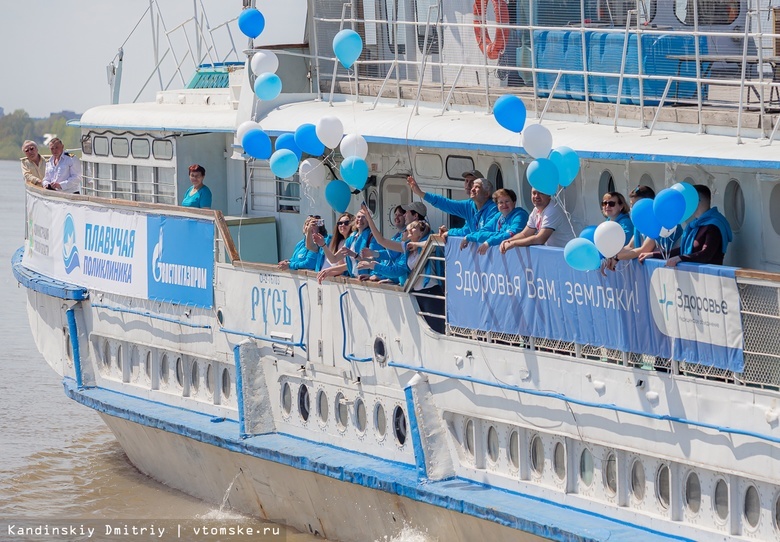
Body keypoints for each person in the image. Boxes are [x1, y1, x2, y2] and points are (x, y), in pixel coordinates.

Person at [358, 220, 445, 333]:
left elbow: (436, 241)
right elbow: (395, 268)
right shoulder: (408, 250)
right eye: (407, 228)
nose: (408, 230)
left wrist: (416, 244)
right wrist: (373, 266)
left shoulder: (428, 243)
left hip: (431, 293)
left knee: (436, 330)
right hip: (417, 293)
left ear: (422, 231)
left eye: (413, 227)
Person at [639, 185, 732, 266]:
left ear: (696, 201)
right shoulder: (694, 225)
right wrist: (654, 254)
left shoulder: (714, 225)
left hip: (708, 280)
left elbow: (706, 254)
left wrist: (681, 258)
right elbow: (683, 250)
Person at [407, 175, 498, 238]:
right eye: (472, 186)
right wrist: (420, 193)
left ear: (487, 193)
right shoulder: (469, 205)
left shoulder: (493, 210)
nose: (472, 189)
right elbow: (446, 203)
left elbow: (486, 233)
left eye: (477, 187)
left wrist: (467, 238)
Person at [499, 189, 575, 252]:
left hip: (566, 253)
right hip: (555, 254)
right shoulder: (536, 210)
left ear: (549, 195)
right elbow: (524, 234)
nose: (536, 196)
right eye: (534, 193)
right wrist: (508, 241)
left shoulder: (553, 210)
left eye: (541, 193)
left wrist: (514, 243)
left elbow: (540, 239)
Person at [460, 189, 529, 254]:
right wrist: (469, 237)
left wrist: (489, 242)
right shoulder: (498, 216)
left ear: (514, 203)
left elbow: (511, 235)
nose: (504, 205)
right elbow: (482, 232)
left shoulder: (520, 215)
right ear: (497, 205)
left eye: (507, 201)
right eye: (501, 202)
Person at [314, 212, 353, 277]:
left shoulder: (354, 240)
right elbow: (334, 260)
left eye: (346, 223)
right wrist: (323, 245)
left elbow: (352, 263)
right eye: (340, 223)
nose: (342, 225)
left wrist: (329, 271)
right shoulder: (342, 242)